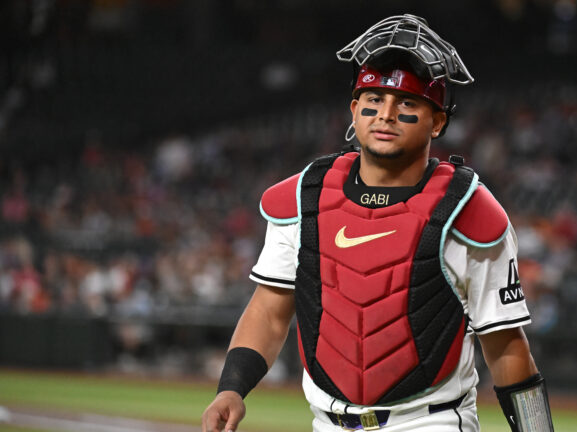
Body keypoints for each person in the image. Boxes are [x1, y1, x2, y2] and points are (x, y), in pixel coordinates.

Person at [202, 14, 554, 432]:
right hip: (327, 423)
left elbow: (506, 346)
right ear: (354, 109)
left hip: (429, 423)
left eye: (407, 102)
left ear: (438, 120)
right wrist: (231, 388)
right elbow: (269, 309)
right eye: (373, 99)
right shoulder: (305, 196)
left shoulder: (468, 209)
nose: (385, 114)